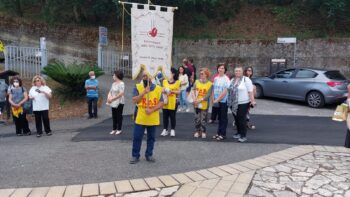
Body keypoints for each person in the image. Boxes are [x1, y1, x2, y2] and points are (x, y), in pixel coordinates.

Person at [130, 71, 164, 164]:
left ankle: (149, 154)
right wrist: (143, 92)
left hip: (152, 117)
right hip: (141, 117)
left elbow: (162, 102)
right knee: (137, 137)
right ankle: (135, 155)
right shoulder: (138, 87)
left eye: (147, 76)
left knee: (151, 138)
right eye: (143, 76)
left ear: (151, 77)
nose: (145, 77)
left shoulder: (158, 88)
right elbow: (134, 100)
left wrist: (152, 110)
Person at [228, 67, 256, 143]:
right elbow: (228, 90)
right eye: (236, 71)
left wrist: (252, 101)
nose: (237, 72)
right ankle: (239, 133)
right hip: (233, 103)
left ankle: (243, 136)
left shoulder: (246, 80)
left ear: (242, 72)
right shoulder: (232, 80)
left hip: (243, 103)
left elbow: (250, 92)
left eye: (239, 71)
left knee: (242, 119)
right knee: (236, 119)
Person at [212, 63, 230, 141]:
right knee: (219, 118)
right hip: (216, 101)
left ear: (225, 70)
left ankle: (223, 134)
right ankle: (218, 133)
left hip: (223, 101)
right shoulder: (216, 78)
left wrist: (217, 100)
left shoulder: (226, 79)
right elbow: (213, 89)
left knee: (223, 118)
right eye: (219, 68)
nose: (221, 69)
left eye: (222, 68)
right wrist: (213, 100)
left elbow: (225, 91)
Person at [192, 68, 212, 139]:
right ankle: (197, 131)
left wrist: (200, 100)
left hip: (204, 103)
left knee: (203, 119)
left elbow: (208, 95)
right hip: (196, 103)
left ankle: (203, 131)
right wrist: (194, 99)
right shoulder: (196, 82)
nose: (200, 75)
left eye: (202, 74)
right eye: (200, 73)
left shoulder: (210, 84)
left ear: (206, 75)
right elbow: (193, 90)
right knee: (197, 118)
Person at [160, 68, 180, 137]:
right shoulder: (165, 81)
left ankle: (172, 130)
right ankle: (165, 129)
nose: (168, 74)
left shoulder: (177, 82)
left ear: (173, 74)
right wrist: (164, 90)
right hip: (165, 100)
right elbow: (162, 89)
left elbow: (179, 91)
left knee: (172, 116)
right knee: (165, 116)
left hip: (173, 101)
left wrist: (171, 91)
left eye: (169, 73)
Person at [107, 70, 125, 135]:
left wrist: (112, 99)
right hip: (113, 102)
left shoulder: (121, 83)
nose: (113, 76)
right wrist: (109, 98)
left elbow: (121, 93)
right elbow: (110, 91)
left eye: (114, 75)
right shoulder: (113, 84)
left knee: (119, 116)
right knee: (114, 115)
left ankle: (119, 129)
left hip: (120, 102)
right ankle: (114, 129)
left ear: (117, 76)